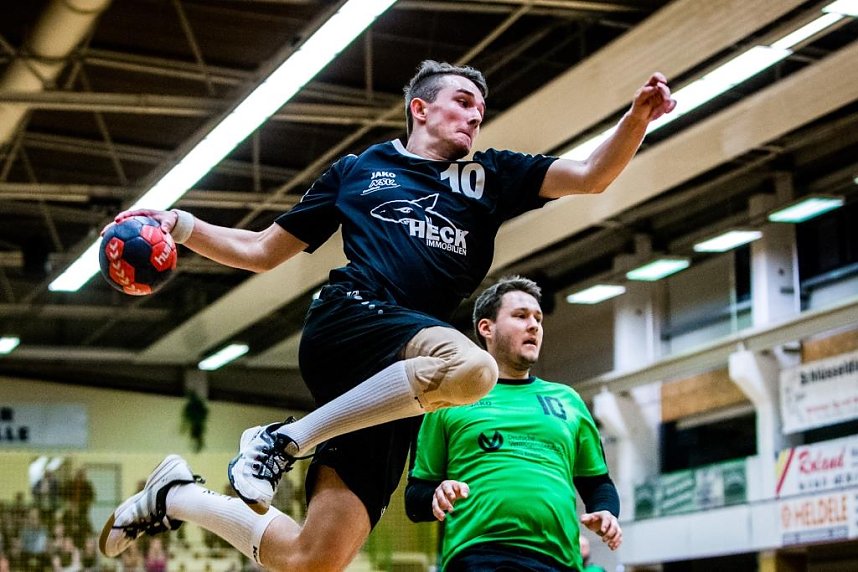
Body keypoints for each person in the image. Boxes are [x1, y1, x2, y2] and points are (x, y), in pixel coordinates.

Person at [99, 60, 673, 571]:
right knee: (475, 372)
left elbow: (594, 175)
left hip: (401, 383)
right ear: (420, 109)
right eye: (464, 103)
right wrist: (180, 224)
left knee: (312, 560)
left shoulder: (491, 177)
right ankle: (282, 441)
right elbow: (259, 251)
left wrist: (638, 118)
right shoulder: (358, 169)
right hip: (351, 320)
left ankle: (176, 495)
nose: (476, 118)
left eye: (482, 110)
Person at [405, 276, 621, 571]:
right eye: (520, 316)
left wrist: (606, 512)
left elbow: (597, 483)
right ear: (487, 328)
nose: (534, 325)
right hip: (478, 555)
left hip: (558, 559)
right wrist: (437, 494)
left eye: (538, 319)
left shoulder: (568, 400)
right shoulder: (450, 399)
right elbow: (415, 498)